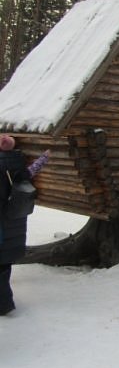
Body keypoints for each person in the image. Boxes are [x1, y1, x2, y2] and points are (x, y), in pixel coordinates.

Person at [0, 135, 49, 315]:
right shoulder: (17, 165)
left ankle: (4, 306)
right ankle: (4, 305)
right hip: (11, 223)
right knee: (3, 267)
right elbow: (32, 171)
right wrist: (44, 157)